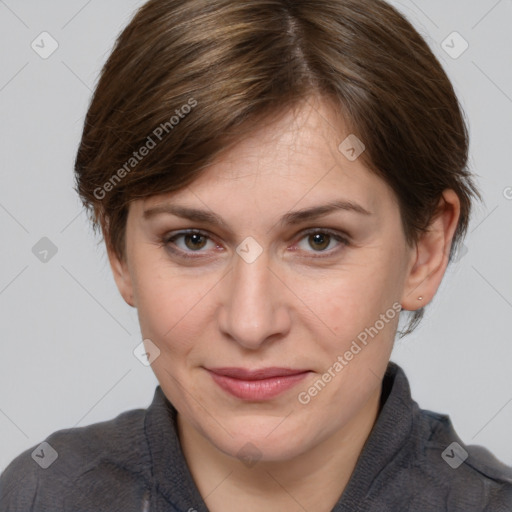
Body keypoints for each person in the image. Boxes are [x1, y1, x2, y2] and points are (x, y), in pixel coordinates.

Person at [1, 0, 511, 510]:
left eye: (319, 239)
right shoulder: (40, 495)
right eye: (193, 240)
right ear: (118, 249)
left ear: (425, 250)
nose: (250, 324)